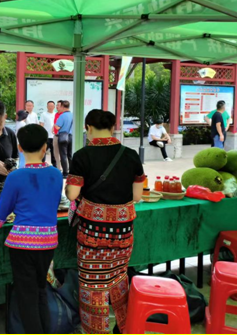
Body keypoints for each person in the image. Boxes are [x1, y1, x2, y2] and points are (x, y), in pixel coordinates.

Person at [0, 124, 61, 334]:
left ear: (20, 148)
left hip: (22, 246)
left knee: (26, 296)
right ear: (45, 147)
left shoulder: (15, 177)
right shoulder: (56, 174)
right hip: (48, 242)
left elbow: (2, 211)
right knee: (41, 290)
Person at [65, 110, 145, 334]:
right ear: (112, 128)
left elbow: (72, 194)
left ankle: (96, 330)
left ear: (88, 128)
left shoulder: (82, 156)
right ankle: (124, 327)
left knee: (92, 284)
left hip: (92, 234)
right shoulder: (130, 155)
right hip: (123, 233)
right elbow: (137, 196)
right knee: (119, 277)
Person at [55, 100, 73, 178]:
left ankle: (65, 173)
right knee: (70, 155)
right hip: (71, 136)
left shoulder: (62, 116)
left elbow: (57, 127)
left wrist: (55, 125)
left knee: (63, 155)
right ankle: (72, 171)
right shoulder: (73, 115)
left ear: (62, 106)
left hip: (63, 137)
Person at [40, 100, 56, 167]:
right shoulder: (43, 114)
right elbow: (41, 125)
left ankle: (55, 166)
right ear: (47, 107)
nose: (50, 107)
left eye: (52, 106)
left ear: (54, 107)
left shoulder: (56, 114)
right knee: (43, 151)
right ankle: (42, 165)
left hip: (54, 136)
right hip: (46, 136)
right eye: (49, 106)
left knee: (54, 153)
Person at [52, 100, 64, 171]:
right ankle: (59, 168)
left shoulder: (64, 115)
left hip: (62, 136)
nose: (57, 107)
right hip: (56, 135)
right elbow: (55, 123)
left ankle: (64, 167)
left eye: (58, 105)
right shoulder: (56, 114)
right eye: (57, 105)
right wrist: (53, 127)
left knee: (62, 153)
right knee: (56, 153)